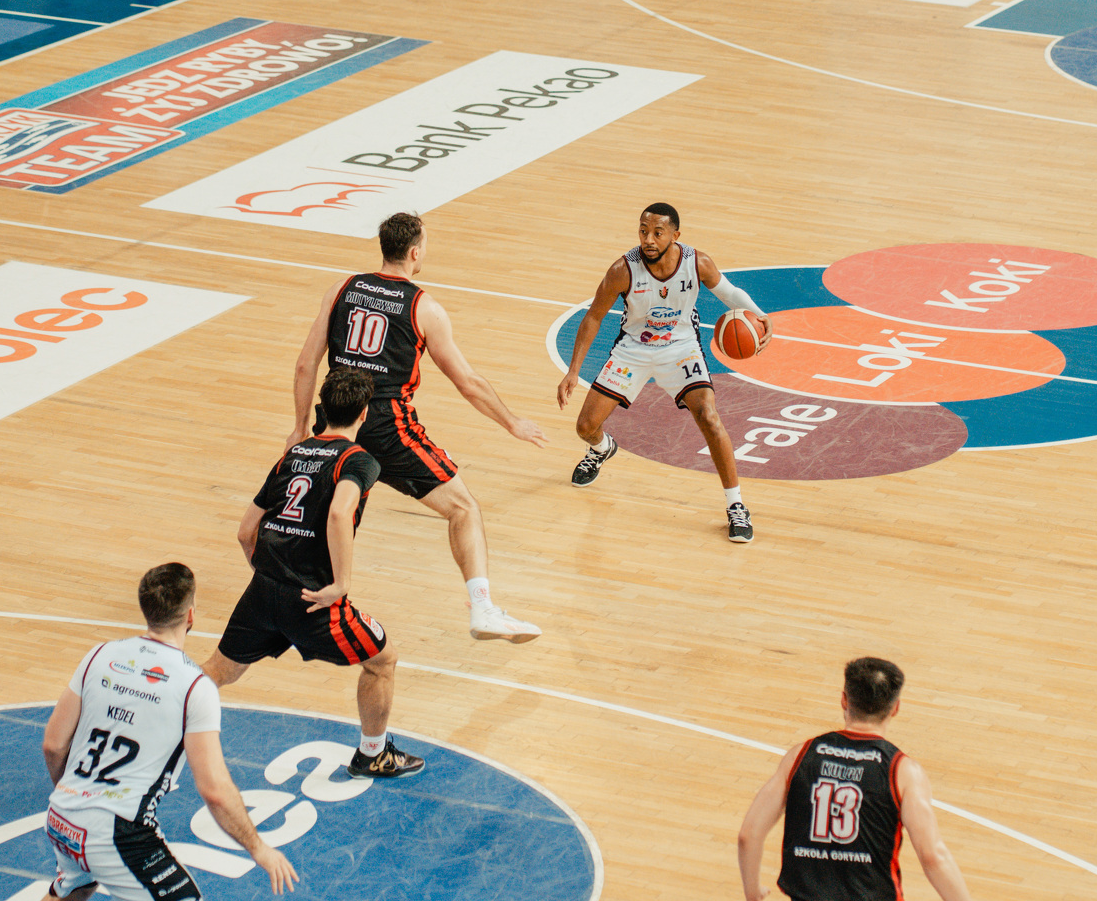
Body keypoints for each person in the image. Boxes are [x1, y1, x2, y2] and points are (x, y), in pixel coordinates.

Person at [0, 563, 298, 901]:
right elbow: (214, 789)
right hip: (118, 830)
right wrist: (258, 848)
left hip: (63, 814)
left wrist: (75, 797)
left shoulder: (99, 656)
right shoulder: (194, 686)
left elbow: (53, 743)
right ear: (191, 615)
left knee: (72, 888)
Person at [289, 212, 548, 642]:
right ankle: (482, 608)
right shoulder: (424, 307)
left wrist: (299, 428)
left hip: (334, 421)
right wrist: (511, 422)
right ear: (414, 252)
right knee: (463, 508)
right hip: (387, 428)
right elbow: (467, 383)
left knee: (331, 514)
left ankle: (297, 597)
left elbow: (305, 364)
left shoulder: (341, 289)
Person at [737, 657, 1026, 901]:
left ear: (844, 699)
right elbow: (932, 855)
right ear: (895, 708)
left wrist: (752, 892)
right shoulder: (902, 771)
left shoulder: (800, 755)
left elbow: (749, 834)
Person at [208, 367, 425, 778]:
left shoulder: (293, 454)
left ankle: (153, 714)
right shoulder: (359, 460)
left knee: (220, 671)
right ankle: (373, 754)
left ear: (323, 409)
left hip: (263, 589)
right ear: (364, 414)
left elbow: (244, 532)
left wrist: (268, 571)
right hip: (312, 600)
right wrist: (341, 584)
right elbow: (340, 512)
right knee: (382, 660)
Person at [555, 202, 773, 542]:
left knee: (709, 417)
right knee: (585, 427)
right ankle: (601, 448)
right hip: (634, 350)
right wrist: (573, 371)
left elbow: (729, 292)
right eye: (643, 231)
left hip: (681, 349)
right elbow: (594, 316)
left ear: (675, 235)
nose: (648, 240)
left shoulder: (697, 263)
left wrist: (760, 315)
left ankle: (736, 506)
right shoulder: (622, 269)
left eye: (658, 233)